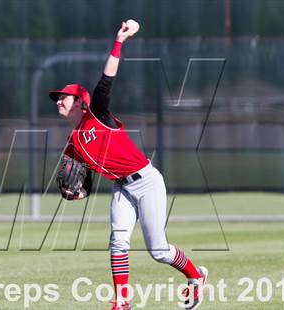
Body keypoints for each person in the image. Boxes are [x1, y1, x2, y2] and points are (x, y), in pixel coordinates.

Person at [49, 21, 208, 310]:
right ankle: (122, 302)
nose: (59, 101)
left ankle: (196, 276)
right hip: (121, 187)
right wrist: (78, 192)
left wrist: (119, 41)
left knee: (158, 250)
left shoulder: (96, 114)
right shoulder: (73, 143)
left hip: (147, 182)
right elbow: (81, 180)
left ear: (80, 102)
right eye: (57, 98)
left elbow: (106, 79)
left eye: (64, 97)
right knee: (118, 242)